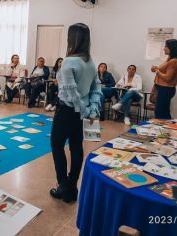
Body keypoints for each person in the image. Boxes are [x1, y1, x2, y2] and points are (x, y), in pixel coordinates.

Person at [50, 23, 102, 203]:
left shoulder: (69, 62)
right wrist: (92, 109)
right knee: (76, 148)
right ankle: (72, 187)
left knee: (57, 146)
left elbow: (72, 95)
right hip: (81, 114)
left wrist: (85, 110)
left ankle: (64, 187)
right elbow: (96, 89)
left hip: (66, 111)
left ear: (72, 39)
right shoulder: (90, 61)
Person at [151, 39, 177, 119]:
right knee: (163, 112)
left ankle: (163, 129)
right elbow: (161, 70)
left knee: (160, 113)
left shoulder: (174, 61)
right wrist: (156, 68)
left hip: (165, 89)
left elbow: (168, 77)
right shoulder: (169, 59)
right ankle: (165, 129)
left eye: (165, 47)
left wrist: (157, 71)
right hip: (162, 88)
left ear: (171, 48)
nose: (164, 48)